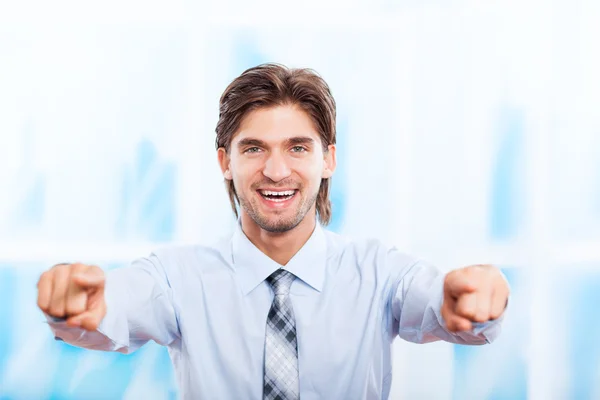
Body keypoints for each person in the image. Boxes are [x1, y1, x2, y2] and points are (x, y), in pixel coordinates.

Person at [37, 63, 510, 400]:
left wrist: (475, 300)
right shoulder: (176, 277)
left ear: (329, 159)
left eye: (298, 148)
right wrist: (83, 307)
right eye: (254, 149)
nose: (276, 170)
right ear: (226, 162)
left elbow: (438, 303)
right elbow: (116, 307)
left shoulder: (380, 272)